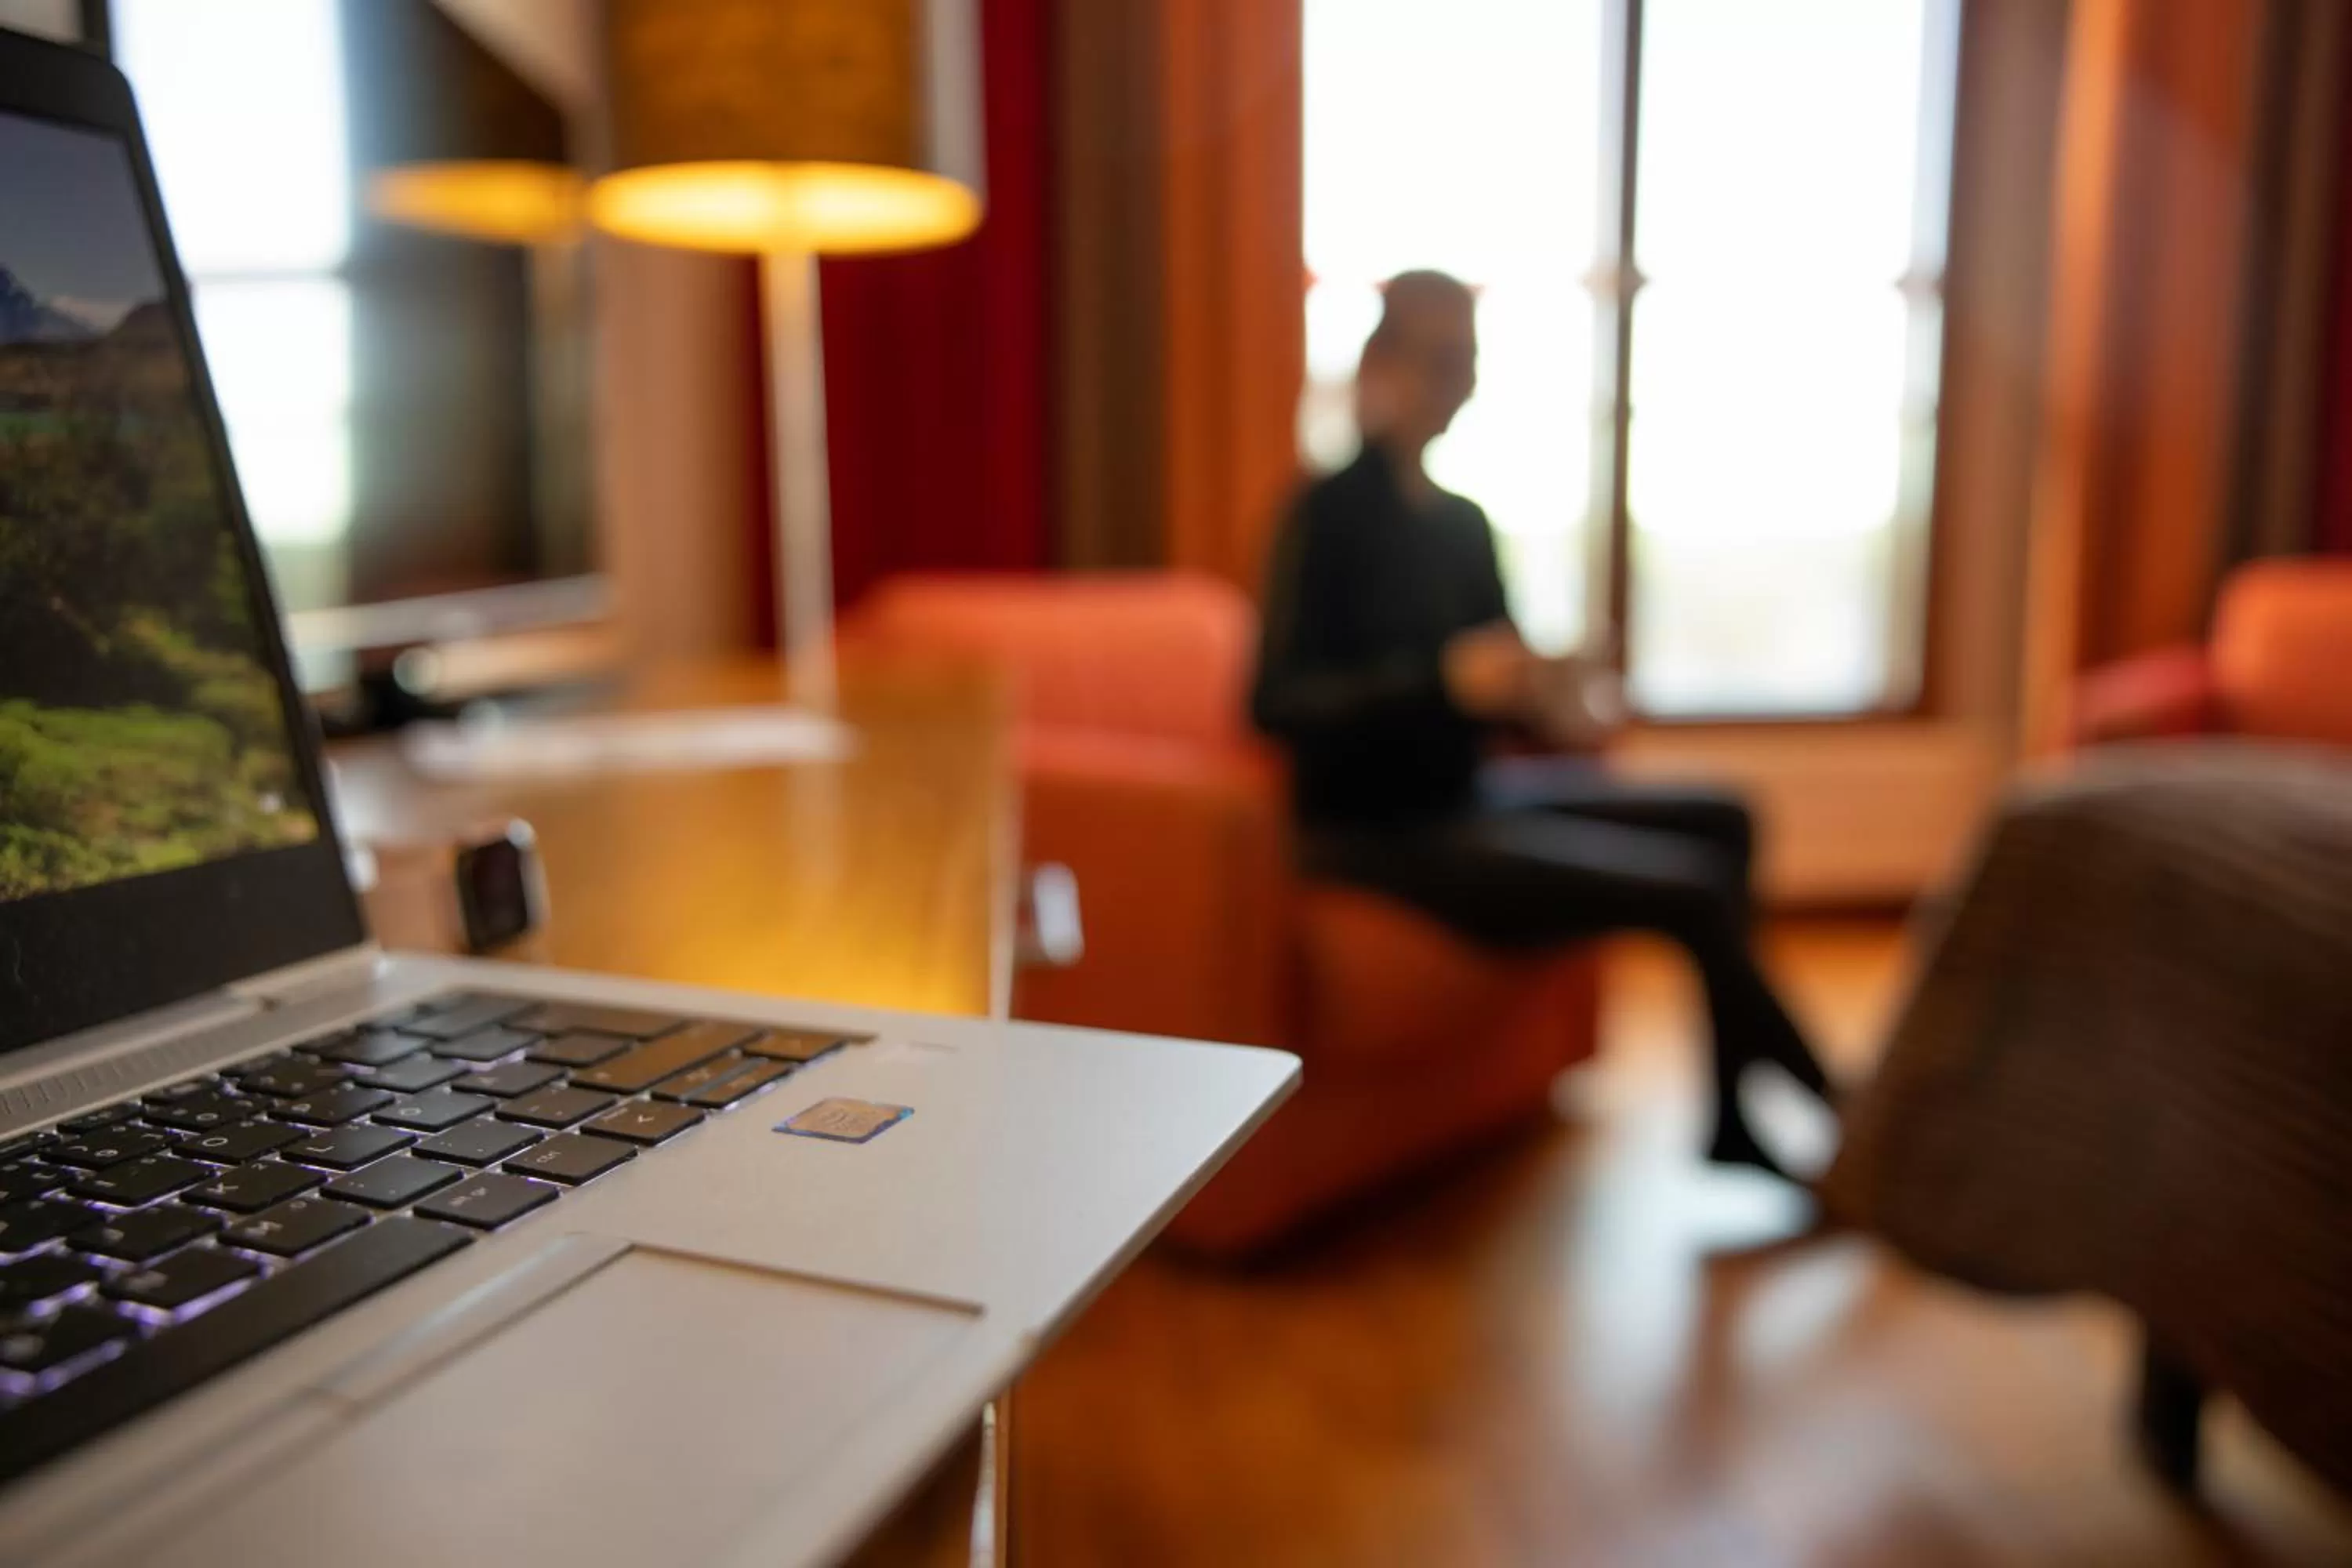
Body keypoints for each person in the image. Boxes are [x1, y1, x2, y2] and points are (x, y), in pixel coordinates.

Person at [1250, 269, 1835, 1180]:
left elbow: (1501, 689)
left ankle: (1734, 1113)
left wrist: (1556, 689)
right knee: (1686, 888)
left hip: (1469, 797)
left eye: (1471, 361)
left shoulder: (1462, 524)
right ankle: (1841, 1105)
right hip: (1373, 831)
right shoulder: (1324, 514)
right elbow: (1276, 703)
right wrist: (1442, 681)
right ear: (1384, 364)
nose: (1462, 384)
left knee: (1726, 814)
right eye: (1445, 360)